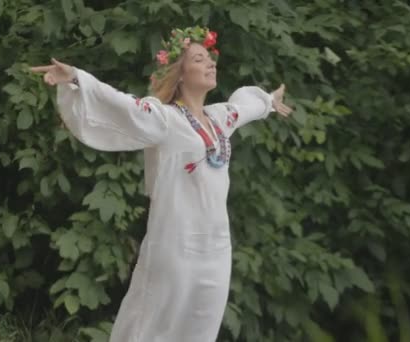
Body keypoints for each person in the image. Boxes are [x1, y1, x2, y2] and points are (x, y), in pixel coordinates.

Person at [31, 26, 292, 342]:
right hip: (175, 244)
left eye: (210, 58)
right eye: (199, 59)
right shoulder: (164, 118)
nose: (211, 63)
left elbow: (247, 106)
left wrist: (269, 99)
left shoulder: (219, 118)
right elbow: (121, 104)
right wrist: (76, 77)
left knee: (200, 333)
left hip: (216, 248)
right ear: (180, 74)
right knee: (152, 329)